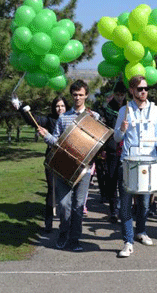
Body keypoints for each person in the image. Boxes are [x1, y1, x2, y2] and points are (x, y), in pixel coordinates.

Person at [38, 79, 100, 252]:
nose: (78, 98)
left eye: (81, 95)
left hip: (84, 170)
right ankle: (63, 233)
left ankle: (75, 239)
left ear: (86, 95)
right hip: (63, 168)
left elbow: (97, 142)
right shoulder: (63, 118)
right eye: (75, 95)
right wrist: (46, 136)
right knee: (64, 206)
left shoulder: (93, 117)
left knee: (78, 206)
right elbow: (56, 143)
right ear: (71, 96)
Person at [113, 75, 157, 258]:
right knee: (126, 205)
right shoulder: (124, 110)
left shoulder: (156, 110)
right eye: (139, 89)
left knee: (145, 204)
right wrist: (122, 129)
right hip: (129, 161)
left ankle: (141, 231)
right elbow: (116, 138)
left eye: (146, 88)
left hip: (148, 162)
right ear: (132, 91)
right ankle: (128, 241)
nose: (143, 91)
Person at [12, 95, 70, 233]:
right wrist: (21, 108)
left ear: (66, 107)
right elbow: (34, 120)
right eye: (57, 106)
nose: (60, 108)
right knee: (51, 190)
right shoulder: (49, 119)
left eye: (62, 106)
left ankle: (66, 221)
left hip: (67, 160)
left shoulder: (70, 119)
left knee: (66, 192)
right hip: (51, 159)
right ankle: (48, 221)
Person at [97, 81, 127, 223]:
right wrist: (102, 149)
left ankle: (124, 209)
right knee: (111, 179)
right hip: (112, 148)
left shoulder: (130, 107)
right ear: (114, 94)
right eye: (118, 94)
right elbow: (103, 130)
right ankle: (113, 210)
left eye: (122, 94)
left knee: (124, 182)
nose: (120, 97)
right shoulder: (107, 109)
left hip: (127, 149)